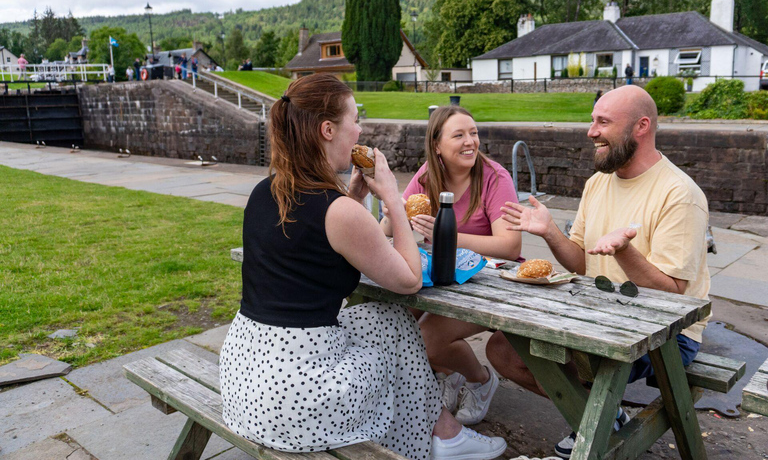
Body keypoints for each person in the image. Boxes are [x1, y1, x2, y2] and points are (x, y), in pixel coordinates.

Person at [219, 74, 507, 460]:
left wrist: (352, 197)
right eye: (355, 120)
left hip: (245, 376)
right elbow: (407, 281)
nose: (359, 130)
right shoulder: (336, 211)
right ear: (327, 130)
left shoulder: (266, 191)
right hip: (295, 399)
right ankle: (438, 438)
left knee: (382, 319)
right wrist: (391, 195)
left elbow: (314, 247)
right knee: (397, 330)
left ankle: (444, 431)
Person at [486, 85, 710, 459]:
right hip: (599, 312)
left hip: (668, 331)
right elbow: (581, 263)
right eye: (592, 121)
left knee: (581, 358)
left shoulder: (679, 193)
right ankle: (602, 417)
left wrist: (624, 252)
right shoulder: (597, 183)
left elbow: (673, 294)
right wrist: (550, 232)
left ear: (641, 126)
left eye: (603, 122)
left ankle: (595, 425)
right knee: (504, 349)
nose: (591, 131)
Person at [381, 105, 522, 426]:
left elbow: (510, 246)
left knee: (427, 339)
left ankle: (480, 380)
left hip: (490, 283)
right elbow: (387, 229)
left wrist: (449, 237)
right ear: (437, 145)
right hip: (441, 277)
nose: (470, 141)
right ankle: (449, 376)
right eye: (459, 135)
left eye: (473, 133)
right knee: (395, 322)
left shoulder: (495, 177)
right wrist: (393, 214)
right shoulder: (427, 176)